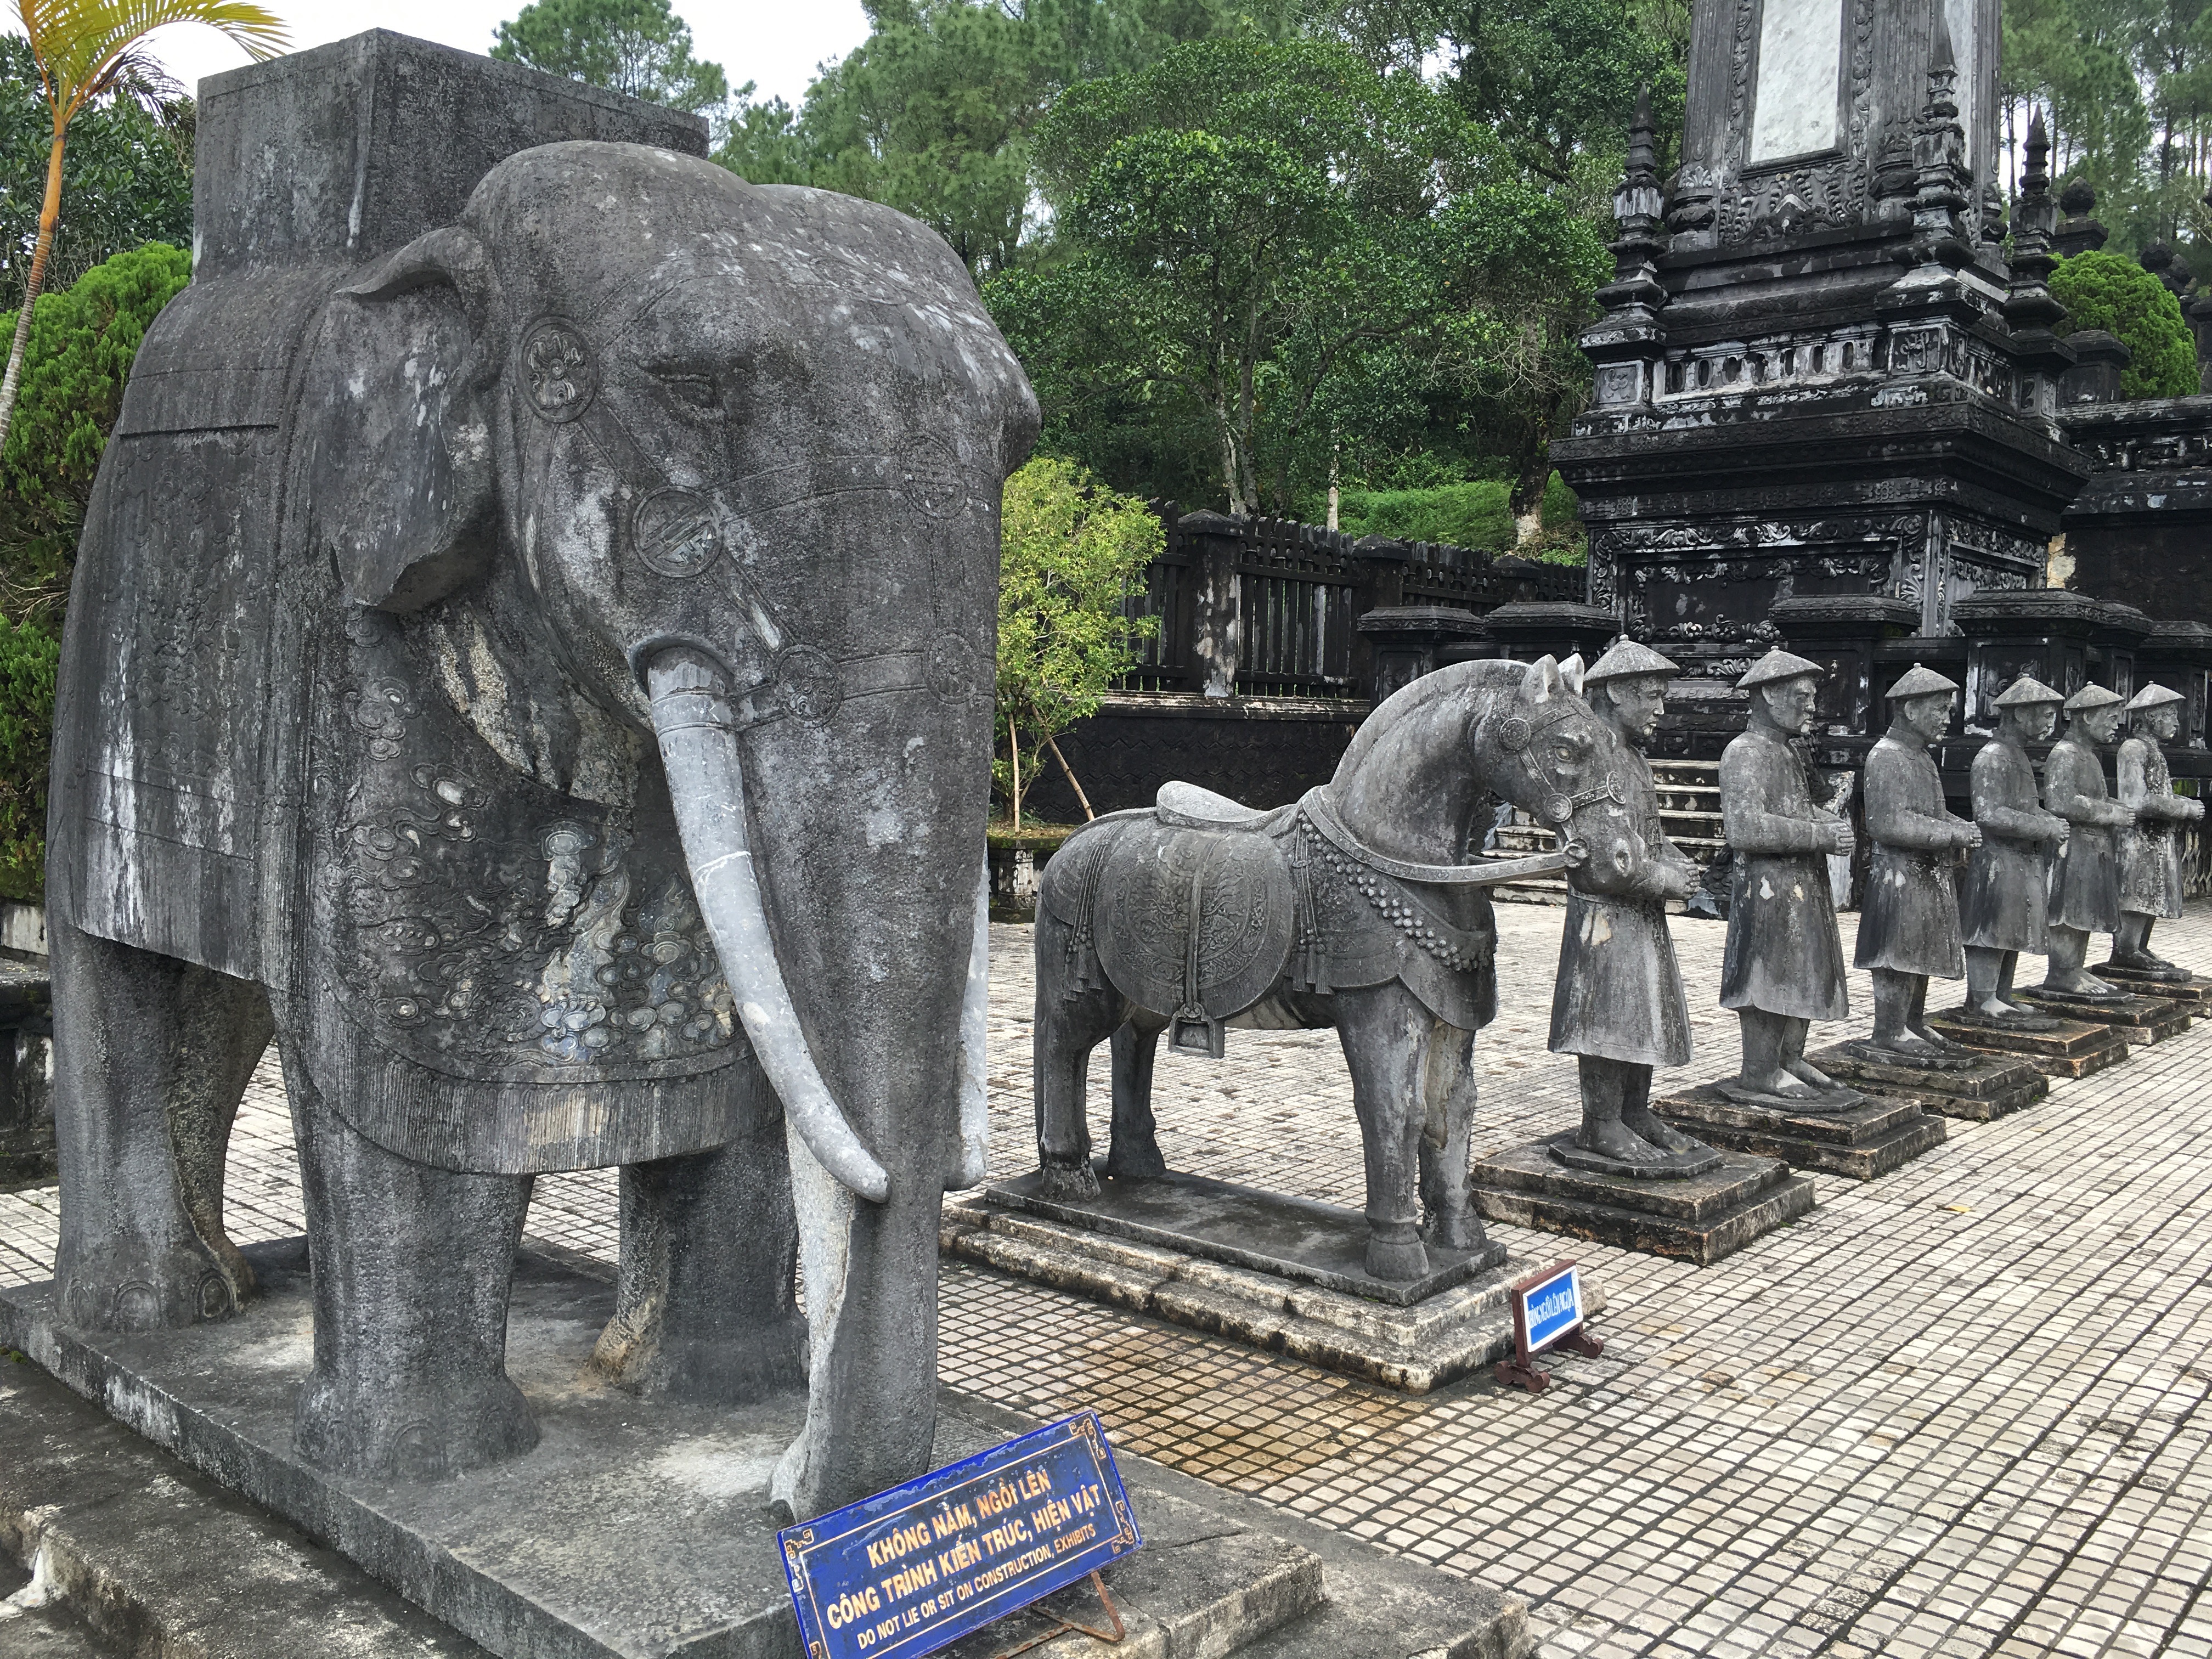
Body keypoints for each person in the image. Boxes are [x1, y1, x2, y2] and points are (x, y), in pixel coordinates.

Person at [1547, 639, 1716, 1173]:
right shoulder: (1589, 754)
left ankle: (1634, 1112)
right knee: (1608, 1015)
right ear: (1618, 692)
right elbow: (1605, 863)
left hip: (1640, 913)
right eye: (1651, 696)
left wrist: (1676, 860)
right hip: (1604, 915)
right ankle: (1600, 1123)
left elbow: (1647, 834)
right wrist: (1663, 876)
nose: (1660, 709)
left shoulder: (1634, 757)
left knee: (1644, 1012)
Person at [1716, 648, 1858, 1105]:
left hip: (1799, 884)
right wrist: (1819, 834)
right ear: (1769, 697)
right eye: (1802, 697)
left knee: (1803, 969)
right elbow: (1746, 828)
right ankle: (1760, 1069)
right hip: (1768, 889)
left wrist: (1825, 820)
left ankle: (1789, 1058)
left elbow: (1793, 807)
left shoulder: (1785, 751)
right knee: (1769, 976)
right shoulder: (1744, 752)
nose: (1811, 707)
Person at [1852, 665, 1982, 1064]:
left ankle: (1911, 1022)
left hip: (1926, 871)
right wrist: (1953, 834)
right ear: (1910, 709)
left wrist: (1961, 826)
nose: (1947, 719)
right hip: (1900, 875)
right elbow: (1888, 823)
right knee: (1897, 953)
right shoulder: (1887, 756)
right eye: (1939, 709)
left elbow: (1933, 813)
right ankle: (1889, 1029)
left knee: (1921, 950)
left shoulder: (1921, 757)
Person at [1961, 676, 2068, 1024]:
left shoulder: (2015, 754)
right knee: (1992, 929)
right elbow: (1990, 814)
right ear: (2021, 714)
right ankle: (1982, 998)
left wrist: (2048, 819)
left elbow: (2026, 806)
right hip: (1998, 859)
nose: (2051, 724)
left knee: (2012, 928)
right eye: (2046, 715)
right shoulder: (1994, 756)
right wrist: (2044, 827)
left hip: (2019, 858)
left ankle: (2001, 994)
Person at [2039, 684, 2132, 1000]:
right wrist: (2110, 813)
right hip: (2073, 847)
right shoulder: (2065, 754)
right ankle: (2061, 971)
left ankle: (2073, 968)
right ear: (2088, 717)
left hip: (2092, 847)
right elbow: (2061, 801)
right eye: (2111, 718)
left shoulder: (2087, 754)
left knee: (2084, 910)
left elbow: (2090, 797)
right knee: (2069, 911)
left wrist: (2114, 807)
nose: (2116, 725)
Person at [2112, 683, 2204, 981]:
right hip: (2139, 837)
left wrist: (2183, 801)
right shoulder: (2134, 749)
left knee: (2152, 892)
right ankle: (2126, 949)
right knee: (2138, 893)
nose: (2177, 722)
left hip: (2155, 837)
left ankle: (2139, 947)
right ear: (2152, 717)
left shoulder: (2150, 749)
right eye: (2171, 715)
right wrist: (2184, 809)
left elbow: (2159, 793)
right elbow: (2136, 800)